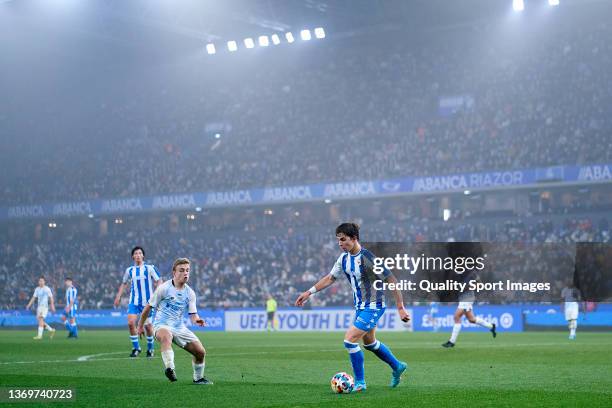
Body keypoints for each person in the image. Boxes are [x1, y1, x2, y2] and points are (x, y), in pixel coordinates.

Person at [295, 223, 409, 392]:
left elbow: (391, 280)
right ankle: (397, 366)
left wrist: (400, 307)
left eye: (343, 240)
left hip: (374, 305)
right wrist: (309, 292)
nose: (340, 244)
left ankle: (360, 382)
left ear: (354, 238)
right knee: (370, 343)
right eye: (338, 241)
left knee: (349, 340)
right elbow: (330, 278)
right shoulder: (343, 259)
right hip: (360, 307)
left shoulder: (368, 258)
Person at [138, 258, 212, 384]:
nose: (185, 273)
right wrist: (140, 326)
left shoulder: (190, 293)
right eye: (182, 270)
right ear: (174, 272)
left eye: (187, 270)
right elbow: (148, 307)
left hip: (179, 327)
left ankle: (198, 378)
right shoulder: (164, 288)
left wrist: (197, 320)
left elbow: (193, 315)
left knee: (200, 352)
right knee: (166, 336)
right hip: (161, 325)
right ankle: (170, 368)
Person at [114, 246, 162, 357]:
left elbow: (159, 280)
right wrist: (118, 296)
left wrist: (157, 293)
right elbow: (124, 283)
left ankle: (150, 349)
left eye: (140, 253)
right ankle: (136, 348)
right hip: (134, 302)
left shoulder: (149, 268)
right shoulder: (129, 270)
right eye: (135, 253)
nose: (138, 255)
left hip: (148, 303)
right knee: (131, 323)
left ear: (143, 256)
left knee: (148, 327)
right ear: (133, 256)